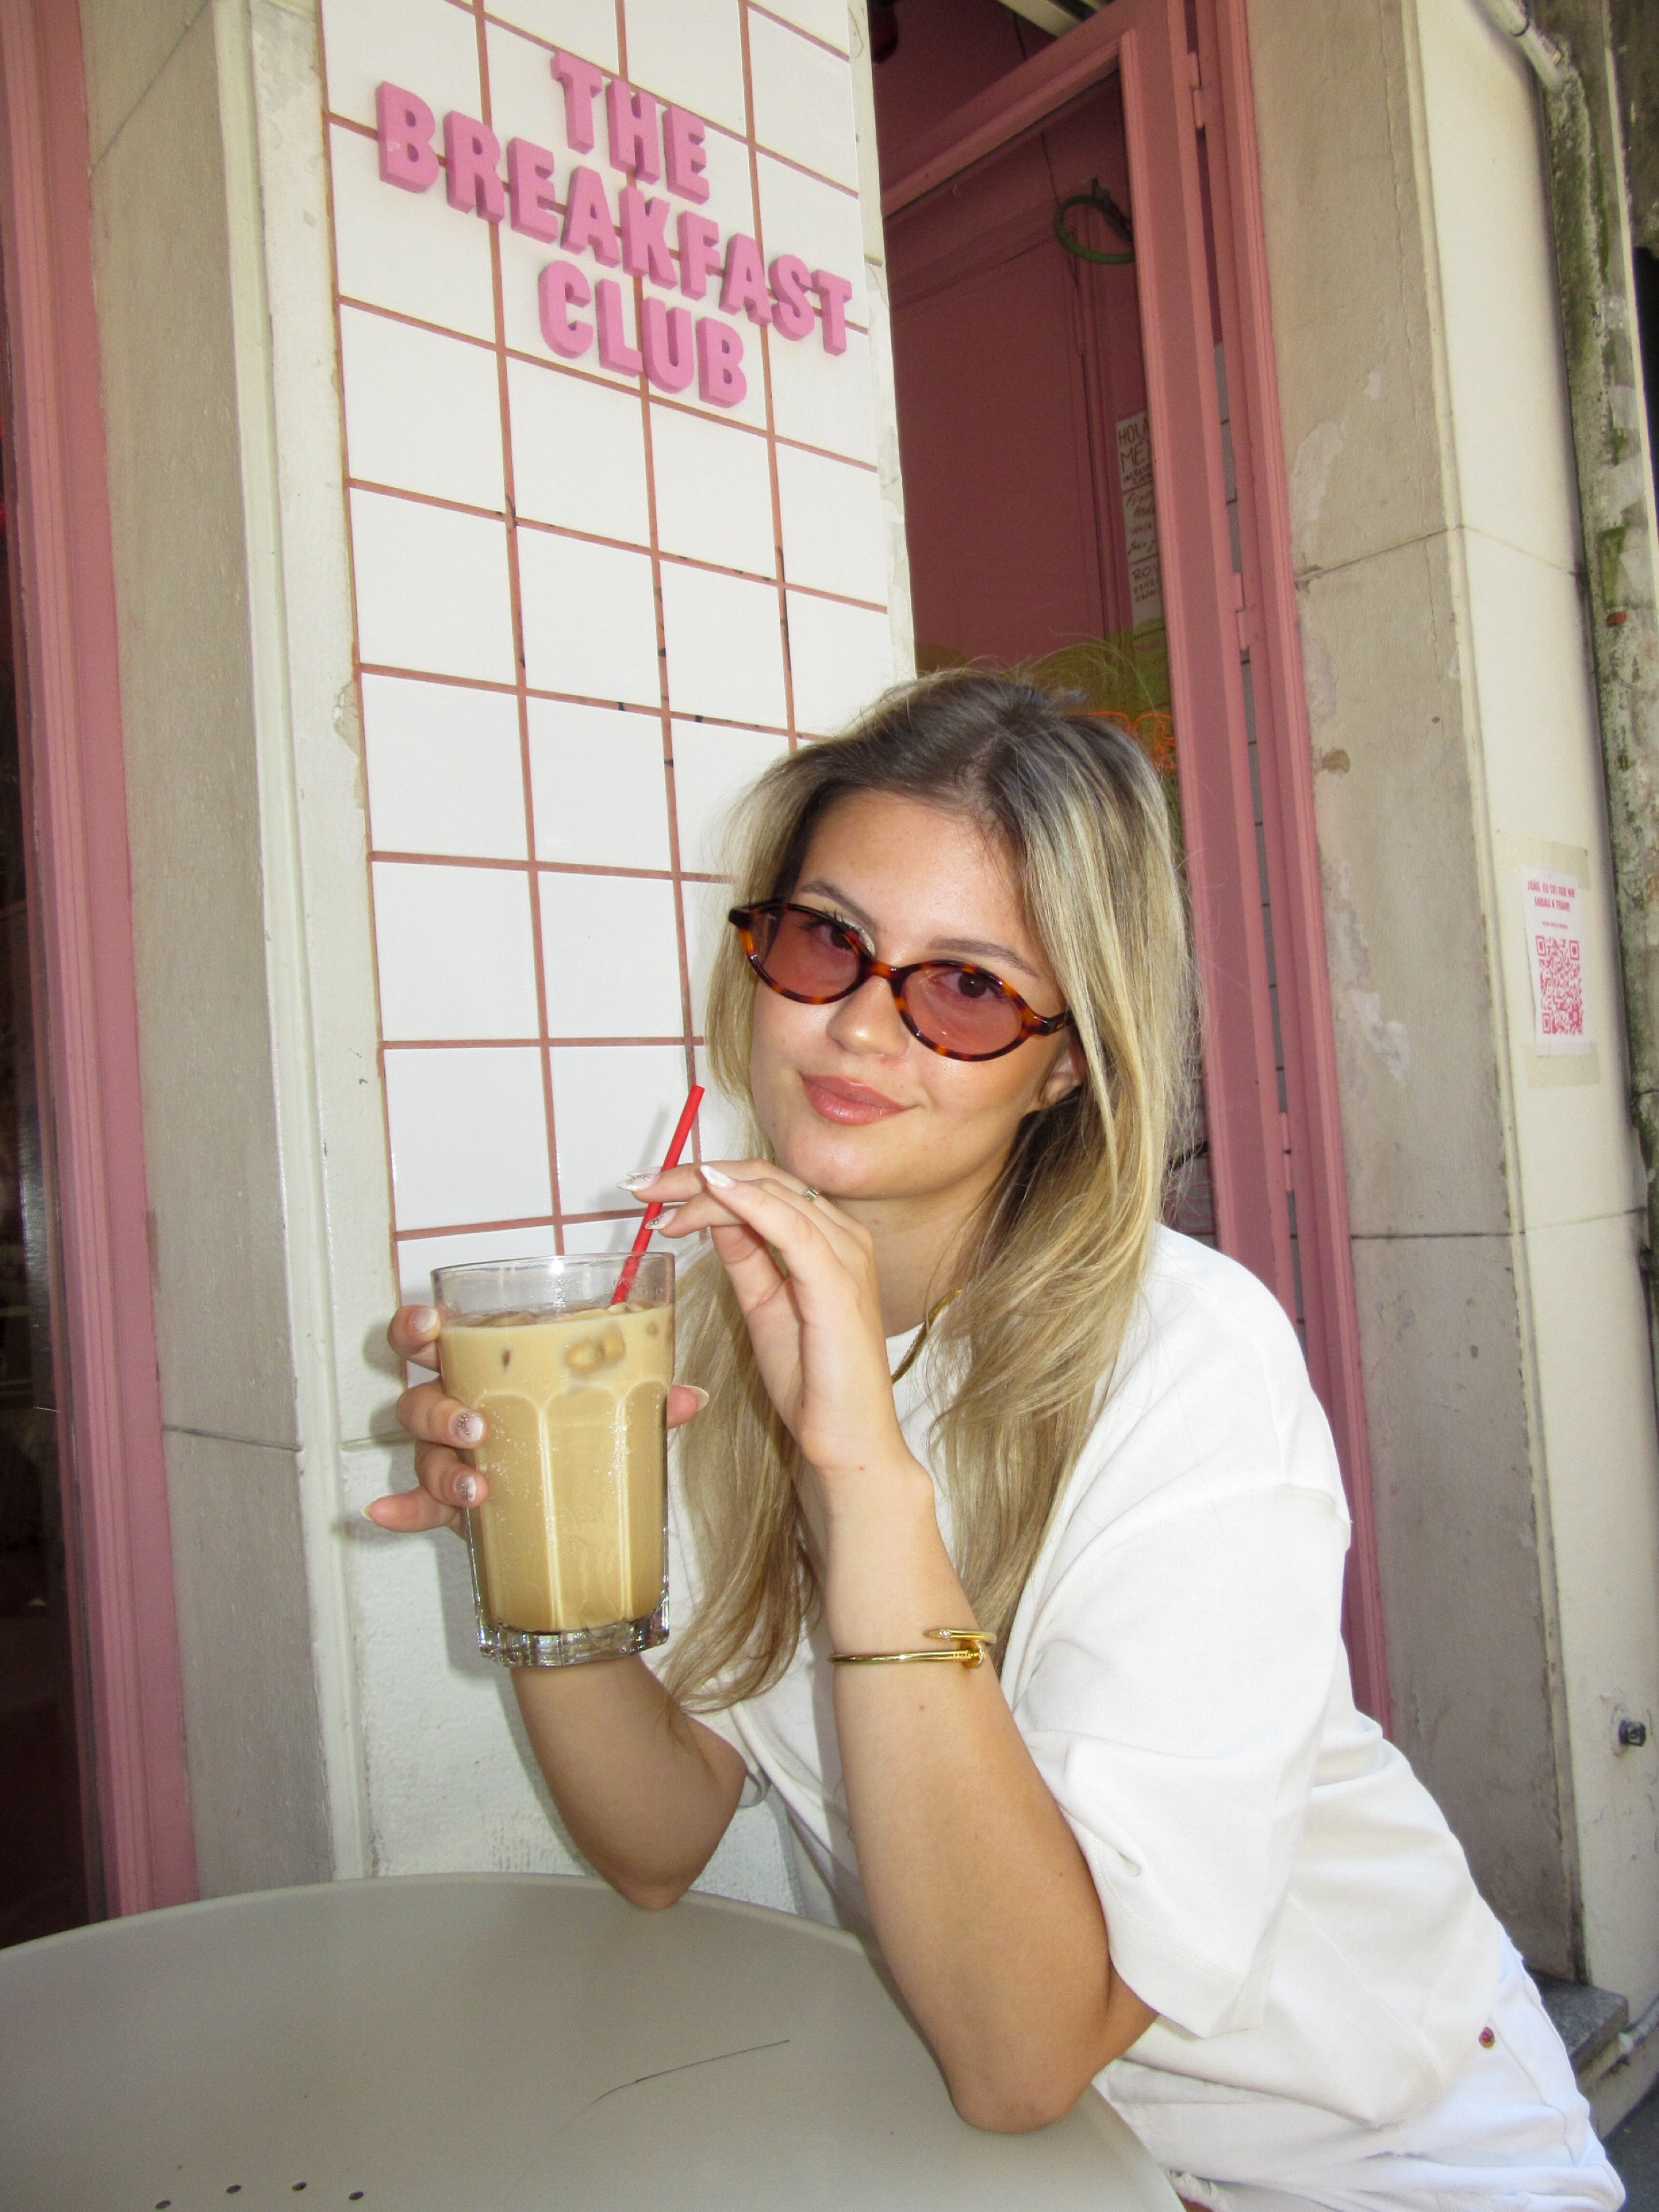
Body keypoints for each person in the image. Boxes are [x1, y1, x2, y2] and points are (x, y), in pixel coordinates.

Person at [370, 673, 1623, 2211]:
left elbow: (1032, 2047)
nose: (853, 1021)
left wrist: (865, 1475)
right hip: (999, 2158)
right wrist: (538, 1550)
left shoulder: (1189, 1362)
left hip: (1371, 2152)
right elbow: (662, 1833)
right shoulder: (701, 1328)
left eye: (963, 989)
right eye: (827, 939)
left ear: (1068, 1061)